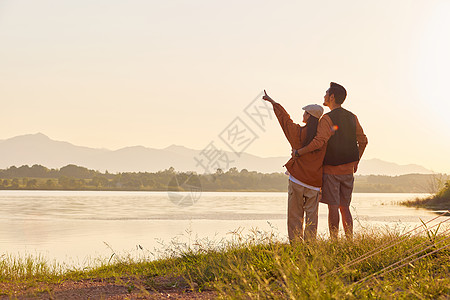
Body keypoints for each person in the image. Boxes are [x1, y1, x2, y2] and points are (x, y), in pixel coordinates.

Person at [292, 82, 368, 239]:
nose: (324, 96)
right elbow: (364, 141)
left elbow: (319, 141)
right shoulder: (353, 117)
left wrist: (300, 152)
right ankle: (349, 241)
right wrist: (356, 161)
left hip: (331, 171)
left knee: (333, 207)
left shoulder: (326, 118)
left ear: (332, 97)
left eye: (326, 93)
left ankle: (334, 241)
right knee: (345, 207)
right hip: (348, 171)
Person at [262, 90, 327, 242]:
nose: (303, 114)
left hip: (297, 180)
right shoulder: (323, 139)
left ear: (309, 116)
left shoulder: (297, 133)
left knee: (295, 216)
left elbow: (285, 120)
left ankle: (296, 246)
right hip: (314, 183)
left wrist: (273, 103)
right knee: (312, 217)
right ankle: (310, 245)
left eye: (305, 112)